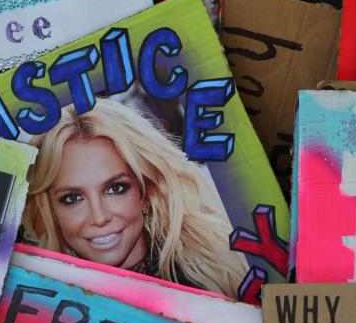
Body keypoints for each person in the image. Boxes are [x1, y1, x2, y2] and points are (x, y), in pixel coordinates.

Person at [23, 99, 249, 299]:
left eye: (115, 188)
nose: (99, 217)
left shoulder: (219, 282)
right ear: (52, 210)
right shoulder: (42, 303)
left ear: (146, 192)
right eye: (72, 198)